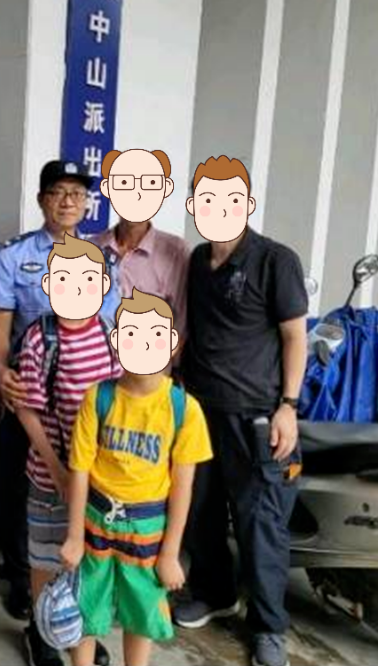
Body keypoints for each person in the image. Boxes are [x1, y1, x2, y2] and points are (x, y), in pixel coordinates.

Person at [176, 156, 308, 666]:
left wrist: (288, 407)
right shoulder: (197, 260)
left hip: (256, 417)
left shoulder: (276, 260)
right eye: (207, 200)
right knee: (200, 511)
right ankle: (215, 592)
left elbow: (294, 336)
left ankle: (269, 626)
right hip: (198, 411)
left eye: (230, 200)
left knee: (260, 525)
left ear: (248, 205)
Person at [0, 160, 121, 627]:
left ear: (87, 204)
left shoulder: (102, 260)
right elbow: (0, 324)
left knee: (88, 510)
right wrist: (1, 370)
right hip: (30, 397)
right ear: (43, 200)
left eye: (76, 194)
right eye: (58, 192)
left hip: (88, 409)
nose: (67, 201)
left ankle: (78, 609)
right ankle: (27, 590)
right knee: (27, 495)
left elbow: (110, 331)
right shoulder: (14, 255)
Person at [61, 288, 212, 666]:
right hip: (95, 525)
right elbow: (79, 470)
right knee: (85, 610)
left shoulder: (184, 409)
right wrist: (74, 536)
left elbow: (183, 488)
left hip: (147, 533)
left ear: (173, 344)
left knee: (140, 614)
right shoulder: (98, 398)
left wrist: (170, 554)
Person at [14, 234, 121, 666]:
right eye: (65, 279)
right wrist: (57, 470)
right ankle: (42, 634)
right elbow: (27, 410)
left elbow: (121, 400)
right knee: (46, 557)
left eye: (87, 280)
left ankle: (79, 631)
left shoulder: (110, 335)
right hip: (50, 474)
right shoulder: (41, 340)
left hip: (99, 476)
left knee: (88, 561)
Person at [91, 149, 191, 343]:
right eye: (125, 184)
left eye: (149, 185)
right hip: (96, 357)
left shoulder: (175, 251)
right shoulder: (92, 248)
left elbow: (181, 322)